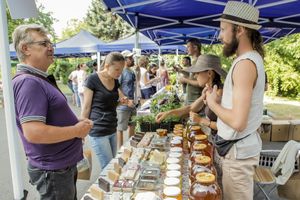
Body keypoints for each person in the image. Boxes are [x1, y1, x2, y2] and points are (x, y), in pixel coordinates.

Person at [12, 24, 93, 200]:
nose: (50, 47)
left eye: (50, 43)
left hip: (59, 168)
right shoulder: (29, 82)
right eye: (44, 43)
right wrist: (76, 131)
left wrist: (75, 124)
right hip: (54, 171)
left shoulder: (36, 79)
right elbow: (34, 133)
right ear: (25, 49)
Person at [205, 1, 265, 199]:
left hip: (237, 154)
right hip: (237, 151)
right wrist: (222, 100)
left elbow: (238, 122)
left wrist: (213, 104)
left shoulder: (245, 64)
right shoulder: (249, 60)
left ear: (239, 30)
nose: (220, 36)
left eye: (223, 30)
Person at [81, 52, 129, 170]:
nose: (120, 73)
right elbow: (86, 107)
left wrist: (121, 102)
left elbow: (112, 104)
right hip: (98, 129)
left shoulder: (115, 80)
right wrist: (80, 130)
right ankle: (108, 189)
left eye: (121, 70)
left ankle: (111, 188)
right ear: (107, 66)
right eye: (117, 69)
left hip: (112, 127)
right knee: (108, 168)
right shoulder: (92, 79)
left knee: (112, 164)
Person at [155, 55, 225, 129]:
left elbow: (228, 128)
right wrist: (168, 113)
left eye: (197, 73)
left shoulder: (220, 93)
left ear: (209, 73)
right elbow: (190, 108)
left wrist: (201, 120)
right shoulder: (208, 90)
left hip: (221, 139)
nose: (195, 76)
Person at [117, 50, 136, 149]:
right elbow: (116, 87)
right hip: (123, 105)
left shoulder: (131, 71)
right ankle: (120, 150)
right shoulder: (120, 72)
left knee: (132, 125)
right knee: (120, 128)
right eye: (130, 58)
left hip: (132, 103)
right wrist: (125, 100)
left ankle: (130, 147)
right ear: (124, 60)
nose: (132, 59)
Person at [179, 38, 202, 105]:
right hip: (191, 98)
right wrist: (181, 71)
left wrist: (185, 80)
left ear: (195, 47)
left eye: (188, 47)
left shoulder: (200, 61)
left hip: (196, 99)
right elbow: (192, 77)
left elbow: (201, 83)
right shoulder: (195, 61)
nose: (186, 49)